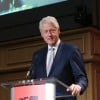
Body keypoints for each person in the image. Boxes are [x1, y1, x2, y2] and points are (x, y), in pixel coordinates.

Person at [28, 16, 88, 100]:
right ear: (41, 34)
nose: (49, 34)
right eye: (46, 31)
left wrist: (78, 86)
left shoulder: (71, 50)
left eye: (52, 30)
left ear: (59, 31)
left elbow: (82, 78)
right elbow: (33, 81)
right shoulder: (37, 55)